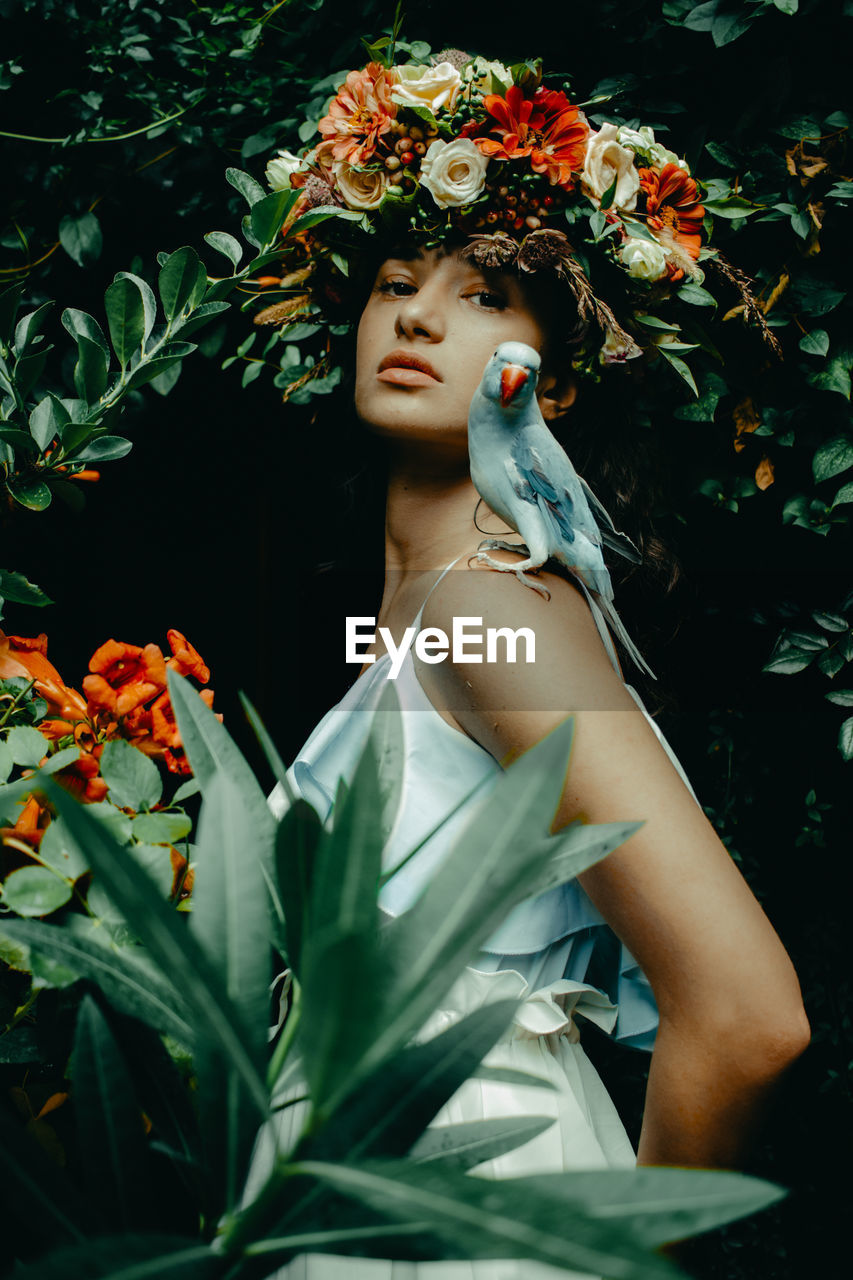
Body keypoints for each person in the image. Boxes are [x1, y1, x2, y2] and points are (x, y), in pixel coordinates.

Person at [259, 51, 810, 1277]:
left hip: (464, 1196)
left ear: (551, 384)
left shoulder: (484, 612)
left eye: (481, 298)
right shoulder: (421, 612)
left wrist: (626, 1261)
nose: (416, 314)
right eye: (398, 279)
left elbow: (748, 1014)